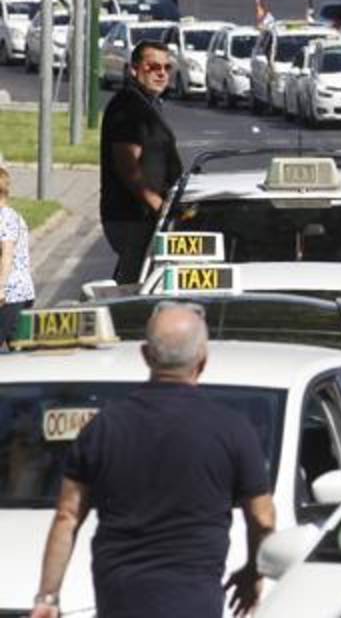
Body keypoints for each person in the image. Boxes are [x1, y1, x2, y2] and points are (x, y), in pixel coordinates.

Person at [30, 302, 275, 618]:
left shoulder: (105, 427)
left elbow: (68, 516)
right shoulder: (233, 431)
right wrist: (255, 572)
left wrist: (48, 597)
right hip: (194, 602)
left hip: (120, 600)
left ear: (146, 356)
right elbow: (264, 519)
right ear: (203, 360)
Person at [100, 42, 183, 285]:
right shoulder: (128, 108)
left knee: (146, 278)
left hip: (146, 215)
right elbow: (128, 167)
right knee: (138, 283)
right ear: (134, 70)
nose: (162, 73)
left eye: (167, 67)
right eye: (153, 67)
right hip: (134, 217)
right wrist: (159, 206)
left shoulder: (147, 104)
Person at [0, 167, 34, 351]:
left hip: (10, 294)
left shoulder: (4, 218)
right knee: (19, 349)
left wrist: (1, 288)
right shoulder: (12, 216)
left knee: (19, 347)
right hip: (19, 291)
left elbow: (7, 254)